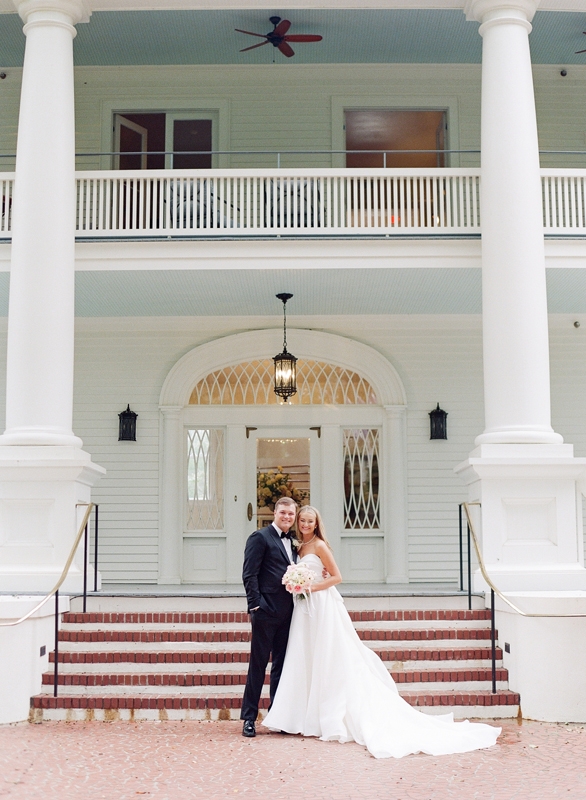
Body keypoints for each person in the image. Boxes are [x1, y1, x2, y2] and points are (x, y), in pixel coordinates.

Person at [262, 505, 502, 759]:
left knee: (328, 654)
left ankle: (326, 715)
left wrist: (313, 586)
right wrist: (298, 584)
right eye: (302, 520)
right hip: (304, 609)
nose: (305, 524)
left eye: (310, 521)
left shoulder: (320, 545)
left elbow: (337, 577)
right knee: (304, 655)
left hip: (321, 605)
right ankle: (301, 714)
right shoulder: (298, 547)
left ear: (316, 523)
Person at [240, 496, 298, 738]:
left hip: (289, 614)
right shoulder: (260, 537)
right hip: (265, 612)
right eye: (283, 512)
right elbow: (249, 573)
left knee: (281, 667)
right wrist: (255, 606)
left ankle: (276, 715)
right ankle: (249, 718)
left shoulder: (295, 543)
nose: (287, 517)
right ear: (275, 513)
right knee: (258, 664)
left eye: (291, 514)